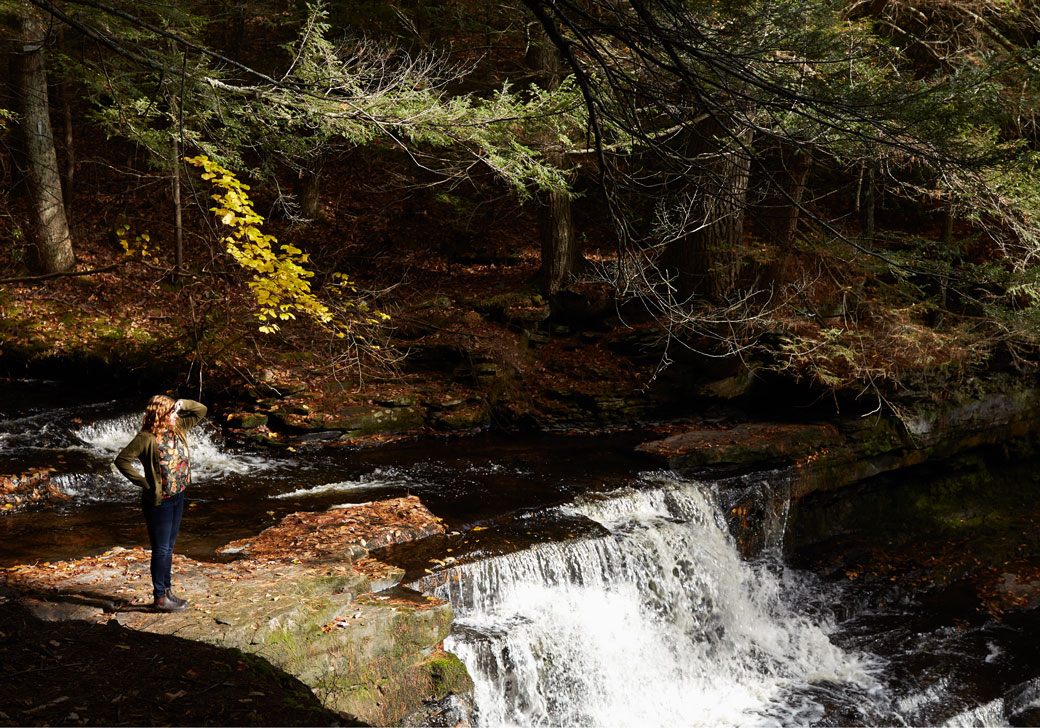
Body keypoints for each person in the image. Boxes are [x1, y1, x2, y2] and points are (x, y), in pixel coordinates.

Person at [114, 395, 207, 612]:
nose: (176, 416)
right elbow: (122, 460)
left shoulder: (178, 428)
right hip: (160, 502)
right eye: (172, 413)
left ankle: (167, 591)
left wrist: (183, 403)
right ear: (161, 416)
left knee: (169, 548)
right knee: (162, 549)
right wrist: (144, 483)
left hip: (178, 496)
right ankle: (160, 598)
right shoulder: (146, 438)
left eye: (176, 412)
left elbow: (201, 410)